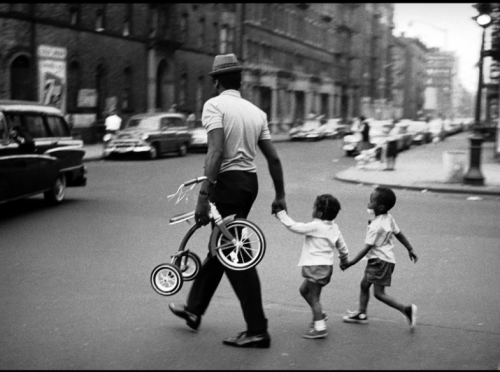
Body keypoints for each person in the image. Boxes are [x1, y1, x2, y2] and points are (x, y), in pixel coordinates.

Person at [168, 53, 287, 349]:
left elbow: (215, 152)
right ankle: (194, 309)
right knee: (221, 247)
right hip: (249, 183)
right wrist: (280, 195)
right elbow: (273, 158)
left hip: (228, 184)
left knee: (234, 255)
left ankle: (258, 329)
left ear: (217, 81)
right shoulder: (256, 112)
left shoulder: (214, 105)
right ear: (240, 81)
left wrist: (203, 196)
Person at [340, 186, 419, 330]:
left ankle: (406, 309)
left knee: (379, 294)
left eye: (371, 201)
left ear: (380, 206)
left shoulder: (375, 226)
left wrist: (350, 262)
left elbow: (366, 247)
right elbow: (399, 234)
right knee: (364, 285)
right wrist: (410, 248)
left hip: (379, 261)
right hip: (383, 260)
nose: (368, 204)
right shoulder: (388, 218)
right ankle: (362, 313)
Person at [275, 194, 349, 339]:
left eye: (314, 207)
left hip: (316, 267)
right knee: (304, 290)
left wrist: (281, 214)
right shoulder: (334, 227)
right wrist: (344, 259)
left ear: (319, 213)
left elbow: (294, 227)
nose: (313, 209)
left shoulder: (316, 226)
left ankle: (320, 328)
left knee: (314, 298)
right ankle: (319, 314)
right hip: (325, 267)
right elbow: (342, 246)